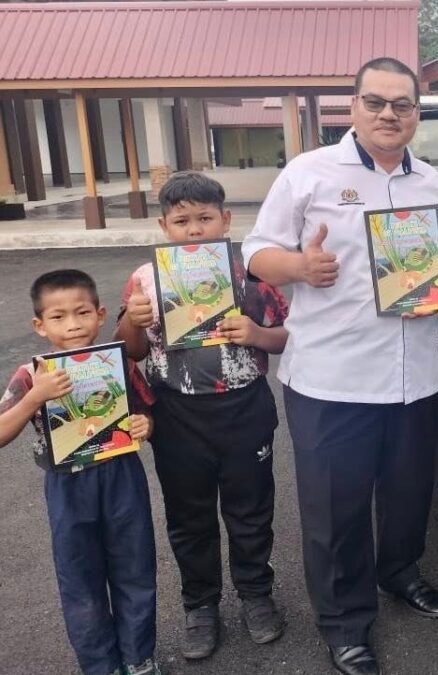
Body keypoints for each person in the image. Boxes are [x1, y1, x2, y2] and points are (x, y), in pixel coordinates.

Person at [242, 57, 438, 675]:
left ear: (417, 112)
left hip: (414, 374)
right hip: (331, 380)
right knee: (336, 511)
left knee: (408, 492)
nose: (389, 114)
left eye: (402, 104)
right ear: (353, 107)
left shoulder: (430, 182)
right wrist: (298, 269)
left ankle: (399, 573)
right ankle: (344, 623)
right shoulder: (309, 173)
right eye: (376, 102)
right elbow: (256, 250)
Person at [115, 172, 289, 660]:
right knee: (189, 516)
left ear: (226, 219)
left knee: (251, 510)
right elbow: (129, 351)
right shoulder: (145, 280)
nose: (195, 230)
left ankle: (256, 593)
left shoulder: (252, 273)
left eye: (205, 218)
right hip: (176, 413)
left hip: (244, 408)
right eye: (182, 220)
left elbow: (287, 336)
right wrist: (134, 317)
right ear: (164, 225)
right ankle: (200, 604)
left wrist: (256, 334)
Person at [0, 270, 159, 675]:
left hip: (122, 477)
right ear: (39, 325)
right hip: (68, 485)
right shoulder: (30, 374)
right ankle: (100, 665)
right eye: (57, 317)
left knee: (135, 570)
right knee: (81, 581)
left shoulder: (116, 361)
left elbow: (145, 413)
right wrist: (36, 395)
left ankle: (138, 657)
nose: (72, 325)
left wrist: (145, 426)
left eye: (82, 312)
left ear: (100, 314)